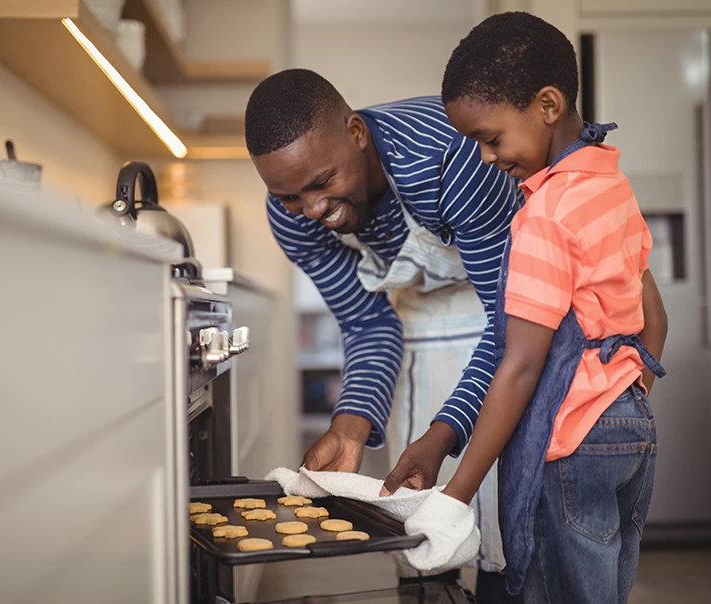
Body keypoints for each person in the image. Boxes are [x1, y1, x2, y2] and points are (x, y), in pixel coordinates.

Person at [398, 12, 669, 603]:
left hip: (571, 437)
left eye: (490, 138)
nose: (486, 157)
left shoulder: (543, 214)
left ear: (548, 105)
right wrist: (624, 397)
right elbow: (655, 318)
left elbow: (520, 366)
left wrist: (455, 495)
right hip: (632, 430)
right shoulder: (613, 184)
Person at [245, 69, 518, 591]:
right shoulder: (293, 215)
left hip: (512, 328)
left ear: (356, 133)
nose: (314, 212)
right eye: (290, 198)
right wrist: (351, 422)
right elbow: (368, 323)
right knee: (420, 551)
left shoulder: (449, 157)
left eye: (322, 183)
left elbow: (509, 324)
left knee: (503, 542)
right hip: (420, 334)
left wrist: (446, 432)